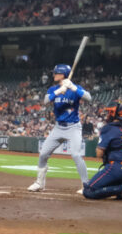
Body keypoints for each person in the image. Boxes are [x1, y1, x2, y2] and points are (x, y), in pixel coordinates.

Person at [27, 62, 91, 194]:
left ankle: (86, 186)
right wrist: (58, 91)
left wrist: (73, 88)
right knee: (43, 154)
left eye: (56, 73)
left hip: (73, 127)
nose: (54, 75)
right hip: (58, 128)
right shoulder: (52, 89)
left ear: (62, 74)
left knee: (76, 155)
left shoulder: (75, 88)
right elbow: (45, 101)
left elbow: (89, 98)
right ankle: (39, 183)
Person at [82, 101, 122, 201]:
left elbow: (99, 154)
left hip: (117, 168)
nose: (108, 114)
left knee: (88, 191)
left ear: (115, 113)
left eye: (110, 112)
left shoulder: (109, 129)